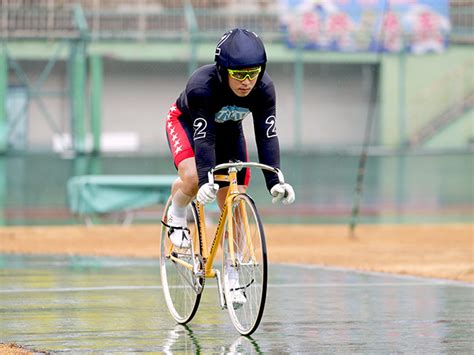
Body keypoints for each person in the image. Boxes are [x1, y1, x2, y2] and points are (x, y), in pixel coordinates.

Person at [164, 28, 295, 306]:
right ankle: (177, 212)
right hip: (188, 125)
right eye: (239, 74)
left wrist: (275, 181)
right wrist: (205, 178)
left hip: (229, 133)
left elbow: (267, 133)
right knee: (191, 179)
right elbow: (203, 137)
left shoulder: (264, 89)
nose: (247, 82)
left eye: (254, 73)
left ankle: (232, 277)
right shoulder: (202, 86)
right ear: (223, 70)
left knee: (234, 204)